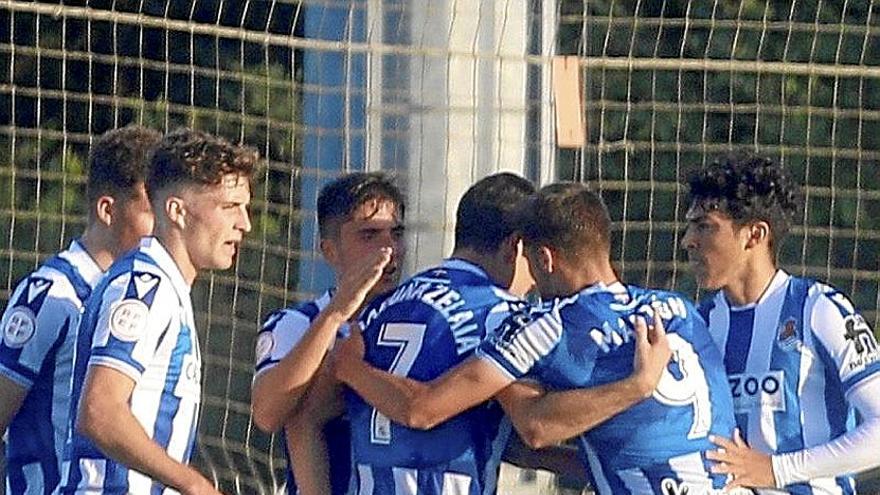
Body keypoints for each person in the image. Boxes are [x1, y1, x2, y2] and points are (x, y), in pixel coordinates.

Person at [336, 182, 735, 494]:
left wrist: (351, 368)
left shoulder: (541, 325)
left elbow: (521, 423)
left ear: (544, 258)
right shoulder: (679, 310)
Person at [59, 128, 258, 495]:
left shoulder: (165, 286)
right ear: (177, 211)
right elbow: (100, 411)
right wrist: (193, 484)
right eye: (229, 206)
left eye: (246, 208)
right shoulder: (144, 287)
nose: (244, 224)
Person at [682, 154, 880, 493]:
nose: (688, 240)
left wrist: (777, 469)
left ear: (754, 235)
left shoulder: (818, 309)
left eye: (705, 226)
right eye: (690, 226)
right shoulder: (696, 326)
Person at [339, 172, 537, 495]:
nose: (535, 279)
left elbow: (313, 413)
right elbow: (535, 423)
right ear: (514, 246)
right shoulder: (500, 315)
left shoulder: (379, 307)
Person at [0, 125, 159, 495]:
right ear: (107, 209)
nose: (161, 230)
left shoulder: (143, 295)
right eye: (151, 212)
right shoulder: (52, 295)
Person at [251, 172, 405, 495]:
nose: (389, 248)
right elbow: (267, 414)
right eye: (369, 235)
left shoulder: (417, 320)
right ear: (330, 251)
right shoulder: (297, 323)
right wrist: (336, 313)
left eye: (396, 233)